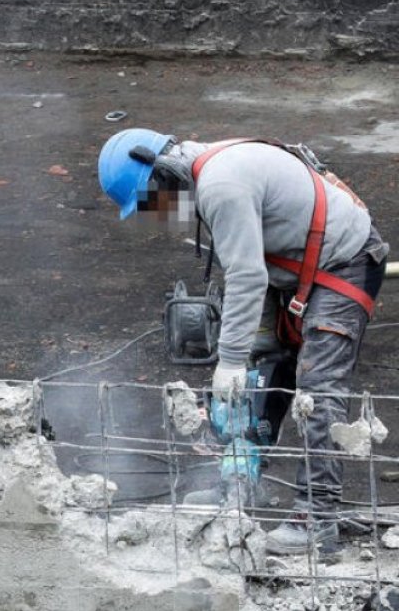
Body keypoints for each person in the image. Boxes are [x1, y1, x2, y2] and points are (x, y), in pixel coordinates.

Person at [98, 128, 388, 555]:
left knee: (317, 387)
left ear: (163, 175)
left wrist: (229, 360)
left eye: (150, 202)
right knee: (264, 368)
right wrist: (244, 361)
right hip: (292, 265)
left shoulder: (221, 186)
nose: (156, 214)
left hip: (345, 262)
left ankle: (317, 520)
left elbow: (247, 277)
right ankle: (238, 484)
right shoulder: (207, 175)